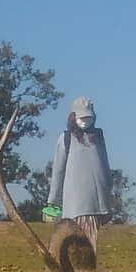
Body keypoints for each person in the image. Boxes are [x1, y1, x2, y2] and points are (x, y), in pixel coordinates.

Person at [45, 96, 113, 251]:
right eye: (82, 118)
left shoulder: (98, 137)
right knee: (77, 240)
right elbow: (58, 171)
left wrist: (109, 191)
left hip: (98, 201)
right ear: (73, 117)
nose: (85, 122)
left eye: (88, 118)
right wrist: (53, 200)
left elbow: (105, 164)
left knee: (91, 240)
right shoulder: (66, 139)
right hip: (76, 201)